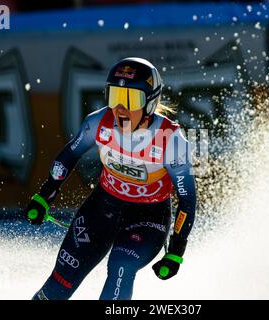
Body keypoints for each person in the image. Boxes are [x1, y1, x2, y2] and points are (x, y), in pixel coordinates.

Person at [24, 57, 197, 300]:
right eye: (115, 97)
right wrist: (44, 196)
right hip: (101, 208)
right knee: (61, 280)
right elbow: (68, 156)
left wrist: (177, 249)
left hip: (149, 218)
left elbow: (187, 199)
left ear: (150, 103)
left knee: (122, 265)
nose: (120, 109)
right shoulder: (98, 122)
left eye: (131, 100)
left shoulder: (171, 139)